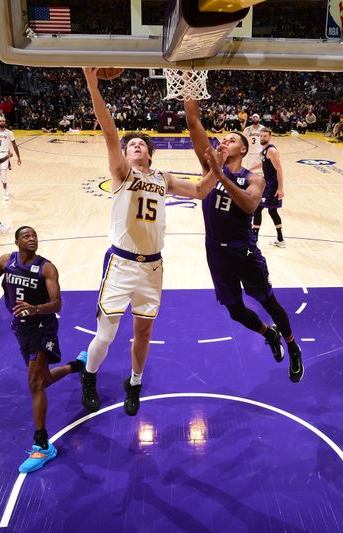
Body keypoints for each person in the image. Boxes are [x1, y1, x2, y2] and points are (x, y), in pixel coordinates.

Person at [80, 67, 219, 416]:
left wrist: (218, 167)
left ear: (150, 153)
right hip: (121, 264)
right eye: (131, 144)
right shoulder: (122, 174)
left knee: (142, 334)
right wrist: (93, 85)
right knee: (107, 336)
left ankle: (135, 383)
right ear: (126, 155)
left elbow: (202, 190)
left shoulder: (163, 177)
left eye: (142, 143)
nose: (135, 145)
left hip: (153, 267)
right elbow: (111, 133)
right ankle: (89, 376)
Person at [184, 98, 304, 383]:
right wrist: (188, 81)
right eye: (222, 138)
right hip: (215, 250)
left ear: (242, 149)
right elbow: (192, 121)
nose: (225, 141)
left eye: (232, 139)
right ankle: (268, 333)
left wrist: (219, 175)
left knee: (268, 302)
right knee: (235, 311)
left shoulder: (253, 178)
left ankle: (293, 346)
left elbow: (250, 206)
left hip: (243, 250)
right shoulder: (209, 165)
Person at [0, 226, 87, 473]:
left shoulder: (47, 268)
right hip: (21, 328)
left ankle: (42, 444)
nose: (32, 239)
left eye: (35, 235)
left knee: (35, 384)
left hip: (42, 326)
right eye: (26, 236)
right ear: (16, 241)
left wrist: (35, 309)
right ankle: (78, 365)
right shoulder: (7, 261)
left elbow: (57, 303)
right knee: (44, 380)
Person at [248, 127, 286, 247]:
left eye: (265, 136)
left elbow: (279, 169)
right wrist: (249, 170)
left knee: (258, 208)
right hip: (268, 183)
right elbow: (264, 163)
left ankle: (255, 239)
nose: (262, 138)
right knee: (272, 211)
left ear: (270, 137)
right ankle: (280, 240)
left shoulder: (271, 150)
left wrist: (280, 188)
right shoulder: (265, 150)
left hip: (272, 185)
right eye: (261, 136)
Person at [0, 117, 22, 201]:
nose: (2, 122)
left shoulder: (9, 133)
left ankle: (4, 191)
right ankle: (6, 184)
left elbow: (14, 145)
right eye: (0, 121)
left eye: (3, 121)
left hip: (5, 153)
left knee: (4, 171)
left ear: (5, 122)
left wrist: (18, 157)